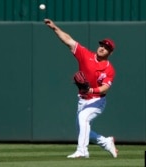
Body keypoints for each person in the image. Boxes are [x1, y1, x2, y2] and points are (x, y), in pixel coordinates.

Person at [44, 18, 118, 158]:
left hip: (97, 101)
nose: (102, 48)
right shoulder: (86, 55)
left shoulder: (109, 69)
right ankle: (106, 142)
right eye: (102, 45)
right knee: (83, 129)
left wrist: (91, 90)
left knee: (83, 119)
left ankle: (82, 151)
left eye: (107, 47)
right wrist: (54, 27)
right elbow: (68, 40)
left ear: (110, 53)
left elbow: (104, 89)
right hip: (82, 100)